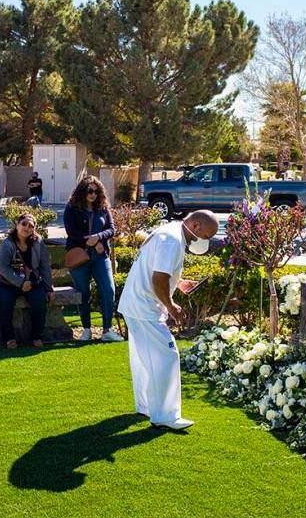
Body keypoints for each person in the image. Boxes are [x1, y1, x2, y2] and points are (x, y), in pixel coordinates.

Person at [117, 210, 218, 430]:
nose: (206, 242)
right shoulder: (173, 240)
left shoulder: (171, 231)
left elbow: (160, 271)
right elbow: (158, 278)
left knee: (145, 358)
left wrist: (178, 282)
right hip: (144, 307)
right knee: (167, 356)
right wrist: (171, 306)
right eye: (207, 236)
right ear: (196, 225)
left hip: (136, 304)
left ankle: (146, 406)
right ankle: (165, 415)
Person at [64, 177, 121, 342]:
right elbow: (71, 232)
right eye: (90, 190)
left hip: (100, 256)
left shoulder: (102, 208)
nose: (93, 194)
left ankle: (107, 330)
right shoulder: (72, 208)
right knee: (83, 293)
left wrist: (98, 238)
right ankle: (87, 329)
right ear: (82, 191)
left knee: (108, 290)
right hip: (80, 256)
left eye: (96, 191)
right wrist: (88, 241)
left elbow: (111, 229)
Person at [0, 213, 55, 350]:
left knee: (40, 301)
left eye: (31, 226)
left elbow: (45, 265)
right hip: (8, 283)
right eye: (24, 224)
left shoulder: (38, 242)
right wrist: (20, 283)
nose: (27, 228)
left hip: (32, 282)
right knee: (5, 302)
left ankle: (36, 336)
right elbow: (2, 267)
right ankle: (9, 338)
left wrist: (49, 288)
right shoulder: (7, 244)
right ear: (17, 225)